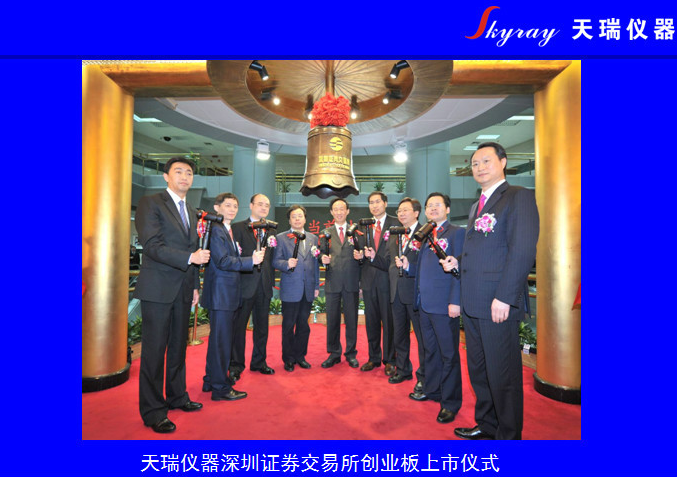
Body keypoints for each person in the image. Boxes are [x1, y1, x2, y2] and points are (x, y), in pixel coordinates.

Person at [450, 142, 539, 440]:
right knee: (480, 370)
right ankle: (487, 425)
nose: (480, 167)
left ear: (503, 162)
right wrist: (458, 260)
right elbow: (482, 251)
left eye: (486, 161)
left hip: (497, 303)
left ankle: (509, 436)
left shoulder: (517, 196)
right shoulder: (477, 205)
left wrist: (505, 297)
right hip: (474, 303)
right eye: (475, 164)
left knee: (503, 374)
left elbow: (522, 250)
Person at [133, 157, 210, 434]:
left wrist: (194, 286)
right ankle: (153, 411)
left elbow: (194, 252)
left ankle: (177, 396)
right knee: (154, 352)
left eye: (189, 172)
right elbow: (152, 245)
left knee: (178, 347)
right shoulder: (151, 203)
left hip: (183, 289)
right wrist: (190, 258)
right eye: (178, 171)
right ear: (166, 176)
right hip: (158, 289)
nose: (184, 176)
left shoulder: (191, 210)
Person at [401, 192, 465, 425]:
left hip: (445, 306)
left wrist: (455, 300)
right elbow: (424, 269)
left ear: (447, 209)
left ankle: (450, 403)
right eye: (429, 206)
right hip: (425, 305)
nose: (433, 208)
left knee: (449, 355)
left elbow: (460, 268)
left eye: (437, 205)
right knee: (430, 352)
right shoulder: (426, 235)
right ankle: (433, 389)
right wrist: (409, 267)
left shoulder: (456, 233)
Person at [201, 193, 265, 402]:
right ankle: (220, 387)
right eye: (227, 205)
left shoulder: (225, 230)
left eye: (235, 206)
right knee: (221, 342)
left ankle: (211, 380)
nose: (232, 209)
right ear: (217, 208)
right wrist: (251, 260)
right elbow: (222, 261)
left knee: (218, 341)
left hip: (227, 295)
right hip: (221, 295)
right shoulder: (216, 230)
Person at [367, 197, 425, 390]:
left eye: (405, 210)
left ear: (416, 213)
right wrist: (373, 257)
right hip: (396, 293)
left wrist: (410, 267)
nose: (401, 214)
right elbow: (387, 263)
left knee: (422, 338)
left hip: (416, 294)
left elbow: (427, 265)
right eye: (399, 210)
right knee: (399, 335)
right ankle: (403, 369)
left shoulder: (424, 234)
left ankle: (424, 375)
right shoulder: (394, 235)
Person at [230, 194, 276, 380]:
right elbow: (233, 257)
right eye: (260, 204)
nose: (264, 208)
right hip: (244, 285)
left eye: (267, 205)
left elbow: (271, 260)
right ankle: (236, 365)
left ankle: (259, 362)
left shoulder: (271, 230)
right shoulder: (237, 228)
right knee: (238, 328)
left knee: (262, 328)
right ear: (251, 205)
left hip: (264, 286)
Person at [272, 205, 320, 372]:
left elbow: (315, 264)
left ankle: (300, 356)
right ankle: (288, 359)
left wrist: (316, 286)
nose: (297, 219)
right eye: (294, 216)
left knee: (303, 326)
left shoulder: (313, 238)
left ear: (305, 219)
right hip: (291, 289)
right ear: (289, 220)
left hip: (307, 289)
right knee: (288, 326)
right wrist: (286, 264)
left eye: (300, 216)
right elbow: (275, 261)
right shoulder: (281, 238)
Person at [355, 192, 398, 375]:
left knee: (389, 322)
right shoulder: (363, 225)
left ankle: (390, 360)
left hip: (387, 280)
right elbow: (359, 251)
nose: (374, 206)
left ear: (385, 203)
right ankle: (373, 358)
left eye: (377, 202)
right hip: (368, 280)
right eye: (371, 203)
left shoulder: (395, 224)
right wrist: (358, 256)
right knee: (371, 321)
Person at [320, 198, 360, 369]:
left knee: (352, 320)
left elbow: (361, 255)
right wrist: (322, 259)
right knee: (332, 320)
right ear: (331, 212)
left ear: (347, 211)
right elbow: (321, 254)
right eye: (335, 209)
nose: (339, 212)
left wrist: (361, 257)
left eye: (342, 209)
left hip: (351, 282)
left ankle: (351, 353)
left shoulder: (356, 232)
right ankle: (334, 353)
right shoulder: (325, 233)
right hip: (332, 282)